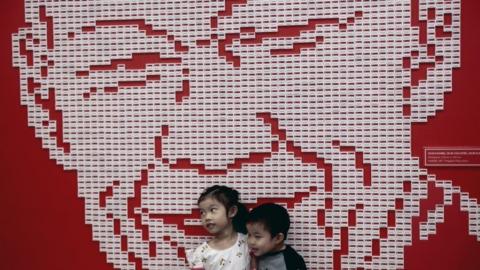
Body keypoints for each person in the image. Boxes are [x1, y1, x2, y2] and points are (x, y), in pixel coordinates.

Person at [187, 185, 251, 270]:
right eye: (202, 212)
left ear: (232, 211)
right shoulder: (200, 252)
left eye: (212, 210)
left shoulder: (248, 243)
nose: (207, 217)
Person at [247, 203, 306, 270]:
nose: (251, 241)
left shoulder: (292, 261)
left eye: (257, 237)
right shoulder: (253, 254)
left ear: (278, 238)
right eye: (249, 235)